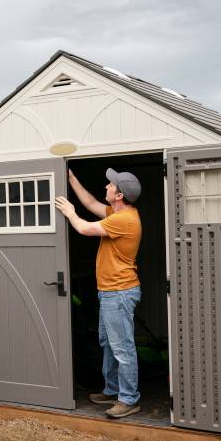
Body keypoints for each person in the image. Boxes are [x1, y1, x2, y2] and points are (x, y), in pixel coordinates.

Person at [54, 167, 142, 418]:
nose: (106, 186)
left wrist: (70, 212)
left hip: (119, 293)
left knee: (122, 348)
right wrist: (70, 176)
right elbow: (90, 202)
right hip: (110, 292)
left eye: (110, 185)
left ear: (119, 195)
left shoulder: (123, 220)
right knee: (108, 343)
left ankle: (129, 398)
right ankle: (113, 390)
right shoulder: (118, 212)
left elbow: (83, 228)